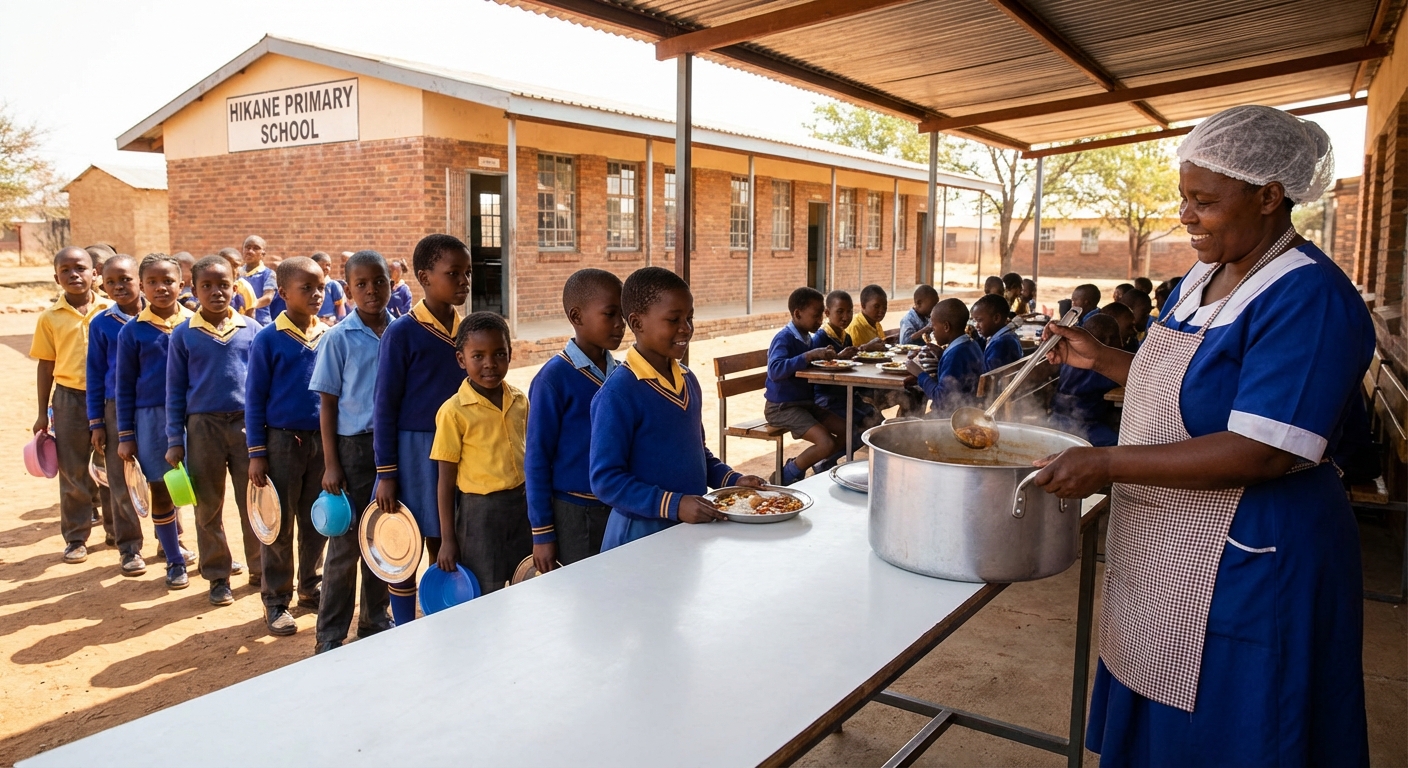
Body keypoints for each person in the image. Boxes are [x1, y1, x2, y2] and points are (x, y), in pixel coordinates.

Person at [1035, 105, 1372, 765]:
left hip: (1252, 556)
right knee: (1157, 709)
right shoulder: (1204, 275)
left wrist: (1107, 462)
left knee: (1233, 729)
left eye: (1205, 200)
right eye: (1184, 196)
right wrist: (1102, 359)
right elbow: (1194, 389)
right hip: (1166, 544)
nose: (1186, 214)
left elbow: (1265, 448)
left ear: (1270, 196)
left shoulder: (1308, 297)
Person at [590, 267, 764, 550]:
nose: (686, 328)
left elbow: (697, 453)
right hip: (638, 537)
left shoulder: (687, 380)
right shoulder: (618, 394)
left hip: (687, 531)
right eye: (674, 320)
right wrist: (673, 504)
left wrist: (733, 480)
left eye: (689, 318)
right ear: (637, 322)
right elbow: (606, 480)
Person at [373, 234, 471, 625]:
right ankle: (403, 626)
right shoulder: (402, 333)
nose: (464, 281)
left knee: (445, 539)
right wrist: (386, 473)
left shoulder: (469, 331)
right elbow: (384, 406)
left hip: (461, 448)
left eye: (467, 273)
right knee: (408, 539)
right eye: (453, 274)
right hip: (416, 452)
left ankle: (440, 619)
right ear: (425, 277)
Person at [167, 255, 264, 606]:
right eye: (206, 286)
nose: (216, 292)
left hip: (245, 425)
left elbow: (261, 387)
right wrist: (174, 440)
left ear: (235, 287)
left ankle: (260, 567)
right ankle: (217, 575)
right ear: (193, 290)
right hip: (202, 427)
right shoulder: (184, 334)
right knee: (208, 506)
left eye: (223, 284)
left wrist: (261, 435)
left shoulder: (252, 331)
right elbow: (174, 390)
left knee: (253, 501)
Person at [311, 250, 394, 652]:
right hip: (350, 449)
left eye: (379, 281)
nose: (371, 290)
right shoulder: (337, 338)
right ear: (348, 290)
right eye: (361, 284)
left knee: (382, 537)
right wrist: (331, 464)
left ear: (391, 283)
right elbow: (327, 405)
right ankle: (329, 635)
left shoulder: (399, 333)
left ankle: (374, 620)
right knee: (344, 546)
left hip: (389, 449)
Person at [246, 257, 328, 636]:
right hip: (280, 442)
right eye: (306, 288)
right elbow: (254, 400)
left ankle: (311, 587)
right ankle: (276, 599)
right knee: (279, 524)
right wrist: (257, 453)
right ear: (282, 294)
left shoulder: (328, 335)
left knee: (318, 518)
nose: (315, 295)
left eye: (321, 288)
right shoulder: (268, 339)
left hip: (322, 441)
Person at [524, 269, 625, 573]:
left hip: (618, 506)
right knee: (584, 596)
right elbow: (537, 458)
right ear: (577, 316)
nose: (621, 324)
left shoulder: (621, 374)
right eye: (611, 314)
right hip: (574, 511)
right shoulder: (553, 380)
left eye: (624, 313)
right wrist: (541, 532)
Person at [431, 312, 532, 594]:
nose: (490, 364)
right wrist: (447, 540)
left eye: (499, 353)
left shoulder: (520, 401)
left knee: (524, 580)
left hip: (520, 506)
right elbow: (445, 483)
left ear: (511, 354)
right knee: (486, 590)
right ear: (461, 360)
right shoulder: (454, 412)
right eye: (478, 356)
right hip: (479, 515)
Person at [116, 254, 193, 589]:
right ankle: (174, 560)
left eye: (168, 281)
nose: (161, 288)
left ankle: (214, 553)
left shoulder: (195, 323)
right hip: (151, 418)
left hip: (196, 416)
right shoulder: (132, 332)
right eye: (152, 282)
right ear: (143, 286)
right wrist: (126, 434)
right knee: (161, 487)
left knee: (202, 488)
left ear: (182, 283)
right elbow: (124, 386)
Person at [32, 246, 111, 564]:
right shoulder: (50, 318)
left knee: (111, 466)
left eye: (80, 268)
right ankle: (76, 537)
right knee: (73, 469)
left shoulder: (111, 309)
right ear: (56, 278)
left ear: (96, 274)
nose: (74, 274)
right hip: (69, 397)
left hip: (108, 398)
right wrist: (41, 412)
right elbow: (45, 365)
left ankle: (117, 531)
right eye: (65, 270)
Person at [86, 254, 145, 574]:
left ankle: (171, 539)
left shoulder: (161, 317)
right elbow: (94, 375)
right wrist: (96, 421)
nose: (119, 286)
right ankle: (129, 546)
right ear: (102, 284)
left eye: (125, 279)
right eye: (111, 282)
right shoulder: (102, 324)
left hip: (154, 407)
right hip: (114, 408)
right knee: (120, 478)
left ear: (140, 279)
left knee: (164, 474)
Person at [765, 287, 848, 485]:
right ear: (797, 313)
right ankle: (786, 474)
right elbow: (775, 370)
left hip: (804, 403)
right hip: (782, 407)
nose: (820, 320)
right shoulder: (784, 338)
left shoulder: (808, 338)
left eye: (821, 314)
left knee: (848, 429)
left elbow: (811, 366)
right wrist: (808, 356)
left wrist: (835, 358)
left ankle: (819, 465)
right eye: (816, 315)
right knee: (826, 442)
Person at [811, 290, 875, 442]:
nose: (846, 317)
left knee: (875, 422)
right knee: (862, 429)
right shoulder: (821, 338)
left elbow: (850, 364)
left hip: (846, 393)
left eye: (850, 312)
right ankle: (824, 462)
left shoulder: (846, 337)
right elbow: (814, 369)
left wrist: (858, 353)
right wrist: (839, 358)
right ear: (827, 312)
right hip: (826, 398)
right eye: (840, 312)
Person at [1048, 313, 1120, 447]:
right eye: (1118, 338)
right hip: (1082, 425)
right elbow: (1122, 379)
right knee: (1119, 444)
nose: (1121, 343)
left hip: (1056, 418)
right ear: (1109, 340)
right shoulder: (1101, 367)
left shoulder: (1071, 359)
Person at [905, 298, 982, 418]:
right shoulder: (970, 344)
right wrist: (942, 356)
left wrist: (919, 374)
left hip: (952, 417)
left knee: (907, 425)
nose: (932, 333)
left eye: (934, 328)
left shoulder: (955, 355)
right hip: (967, 408)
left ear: (946, 327)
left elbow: (942, 399)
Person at [971, 294, 1022, 372]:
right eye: (975, 321)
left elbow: (989, 377)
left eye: (979, 320)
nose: (976, 326)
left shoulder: (1001, 344)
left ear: (996, 318)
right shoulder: (1008, 336)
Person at [240, 235, 277, 324]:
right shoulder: (237, 273)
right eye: (247, 248)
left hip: (260, 322)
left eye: (256, 248)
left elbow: (268, 298)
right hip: (239, 321)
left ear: (263, 254)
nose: (250, 251)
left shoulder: (268, 274)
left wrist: (251, 306)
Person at [845, 284, 888, 351]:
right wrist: (865, 348)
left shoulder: (876, 324)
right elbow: (851, 355)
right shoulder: (855, 327)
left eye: (884, 307)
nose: (882, 311)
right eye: (876, 306)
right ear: (863, 305)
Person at [217, 248, 258, 317]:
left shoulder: (244, 287)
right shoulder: (211, 285)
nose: (233, 269)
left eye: (236, 266)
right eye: (229, 265)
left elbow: (250, 313)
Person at [311, 251, 347, 324]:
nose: (326, 268)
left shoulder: (333, 285)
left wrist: (341, 322)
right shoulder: (309, 286)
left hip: (330, 322)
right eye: (322, 265)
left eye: (328, 265)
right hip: (313, 322)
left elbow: (340, 307)